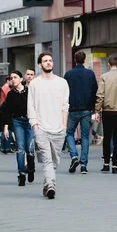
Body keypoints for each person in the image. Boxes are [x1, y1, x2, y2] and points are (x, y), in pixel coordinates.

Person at [27, 52, 69, 199]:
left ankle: (47, 182)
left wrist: (64, 126)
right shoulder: (34, 84)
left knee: (55, 161)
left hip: (58, 129)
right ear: (40, 65)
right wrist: (35, 126)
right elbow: (30, 106)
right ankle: (51, 185)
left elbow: (65, 106)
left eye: (50, 60)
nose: (48, 63)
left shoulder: (62, 83)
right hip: (41, 129)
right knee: (47, 159)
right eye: (45, 61)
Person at [64, 51, 98, 175]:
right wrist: (94, 108)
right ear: (84, 60)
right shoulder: (90, 74)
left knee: (69, 134)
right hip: (86, 109)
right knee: (85, 137)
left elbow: (64, 91)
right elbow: (95, 90)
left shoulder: (68, 74)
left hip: (72, 109)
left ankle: (74, 156)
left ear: (74, 60)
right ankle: (83, 164)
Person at [2, 70, 35, 186]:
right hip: (17, 122)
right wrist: (6, 127)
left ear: (21, 79)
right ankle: (21, 174)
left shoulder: (30, 91)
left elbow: (36, 106)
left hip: (30, 121)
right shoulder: (10, 94)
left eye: (15, 77)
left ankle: (31, 169)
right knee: (20, 149)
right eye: (11, 78)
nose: (13, 80)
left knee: (29, 149)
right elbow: (7, 112)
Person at [0, 76, 15, 154]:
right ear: (8, 81)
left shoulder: (4, 88)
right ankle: (6, 147)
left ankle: (4, 147)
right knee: (7, 129)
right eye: (11, 80)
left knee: (5, 129)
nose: (13, 82)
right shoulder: (6, 89)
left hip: (3, 110)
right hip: (5, 110)